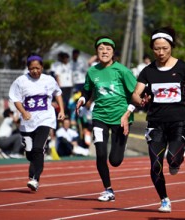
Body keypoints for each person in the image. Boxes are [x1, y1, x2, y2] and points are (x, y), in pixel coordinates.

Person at [123, 27, 185, 213]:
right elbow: (136, 94)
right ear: (152, 49)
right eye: (157, 49)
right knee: (155, 165)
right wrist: (140, 100)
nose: (161, 52)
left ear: (171, 47)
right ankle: (164, 199)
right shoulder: (148, 71)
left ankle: (178, 158)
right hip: (156, 123)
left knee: (173, 159)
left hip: (179, 122)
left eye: (165, 48)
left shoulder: (183, 68)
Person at [75, 36, 137, 202]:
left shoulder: (122, 71)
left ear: (113, 52)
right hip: (99, 117)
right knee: (100, 153)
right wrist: (82, 99)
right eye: (101, 49)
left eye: (108, 49)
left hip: (121, 119)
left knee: (115, 160)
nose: (104, 52)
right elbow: (87, 91)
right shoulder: (92, 71)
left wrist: (129, 111)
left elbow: (136, 95)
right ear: (96, 52)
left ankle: (117, 154)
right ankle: (108, 189)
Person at [9, 53, 65, 192]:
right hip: (27, 122)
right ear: (28, 68)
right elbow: (16, 99)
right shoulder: (20, 81)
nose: (35, 71)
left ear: (42, 67)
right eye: (32, 68)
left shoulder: (49, 80)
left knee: (38, 149)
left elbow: (58, 93)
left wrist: (62, 110)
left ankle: (34, 179)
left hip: (45, 119)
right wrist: (23, 112)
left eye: (38, 68)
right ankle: (32, 166)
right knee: (30, 153)